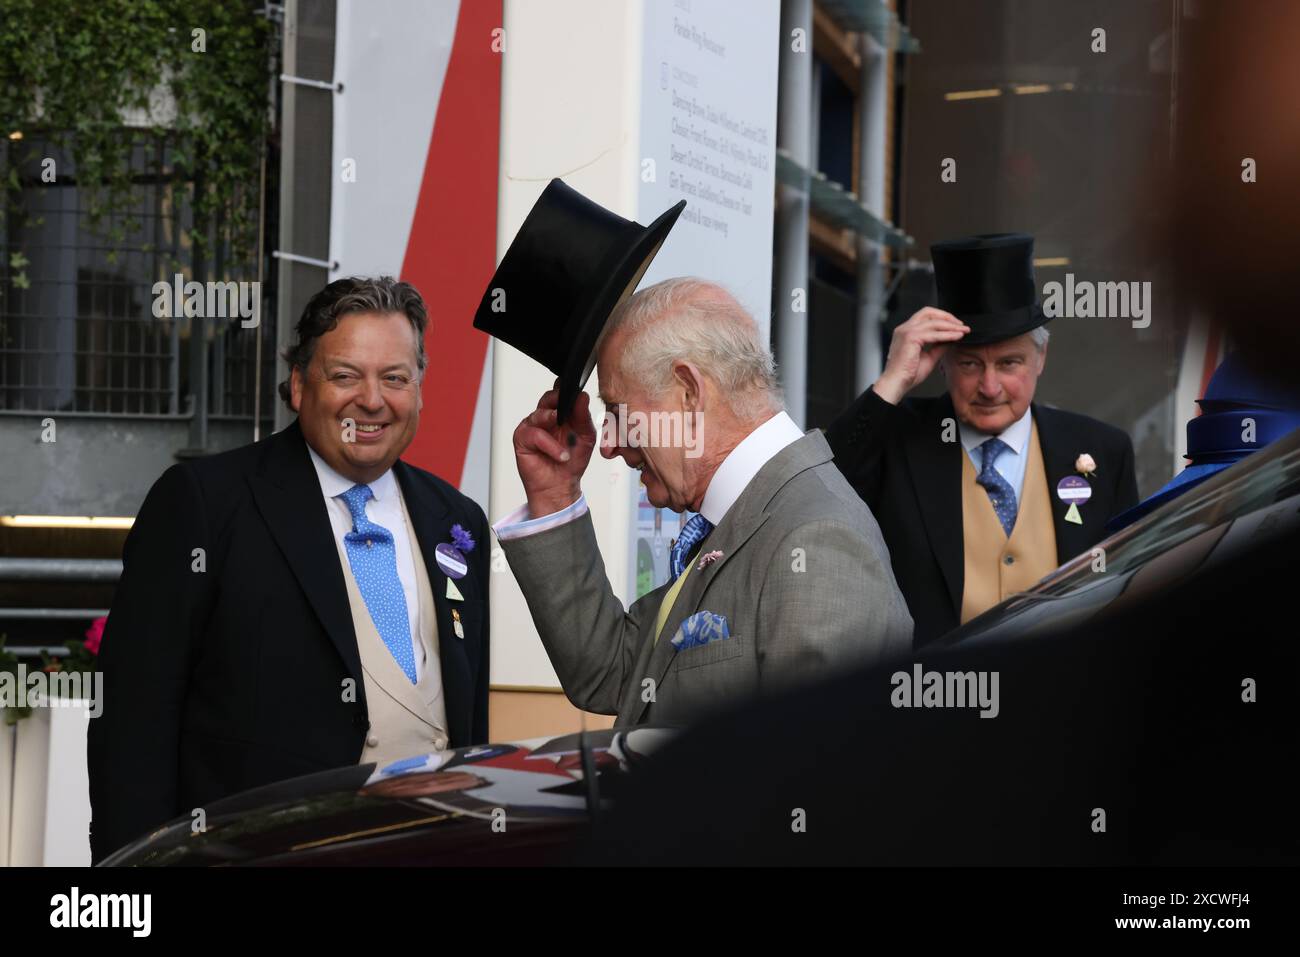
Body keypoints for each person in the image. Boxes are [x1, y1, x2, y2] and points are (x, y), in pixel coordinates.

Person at [88, 276, 489, 862]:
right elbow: (133, 722)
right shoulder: (203, 504)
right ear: (300, 386)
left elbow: (464, 715)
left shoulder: (457, 520)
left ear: (420, 392)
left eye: (396, 378)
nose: (373, 400)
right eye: (346, 375)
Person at [492, 278, 913, 726]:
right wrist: (555, 497)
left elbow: (812, 773)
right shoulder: (749, 513)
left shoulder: (818, 540)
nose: (609, 445)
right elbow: (614, 671)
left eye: (618, 412)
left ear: (689, 391)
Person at [826, 234, 1138, 646]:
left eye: (1010, 363)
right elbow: (824, 487)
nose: (990, 387)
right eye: (970, 364)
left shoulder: (1103, 451)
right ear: (942, 364)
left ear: (1041, 358)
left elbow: (1128, 586)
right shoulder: (898, 440)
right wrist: (892, 381)